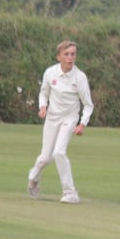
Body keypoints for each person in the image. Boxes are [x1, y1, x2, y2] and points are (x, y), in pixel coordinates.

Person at [27, 40, 94, 204]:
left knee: (59, 152)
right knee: (45, 158)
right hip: (52, 118)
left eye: (73, 54)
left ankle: (70, 192)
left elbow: (88, 104)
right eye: (66, 54)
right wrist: (43, 106)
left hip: (69, 119)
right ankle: (33, 178)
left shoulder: (80, 77)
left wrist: (82, 123)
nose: (70, 58)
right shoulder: (50, 73)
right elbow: (43, 93)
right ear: (59, 57)